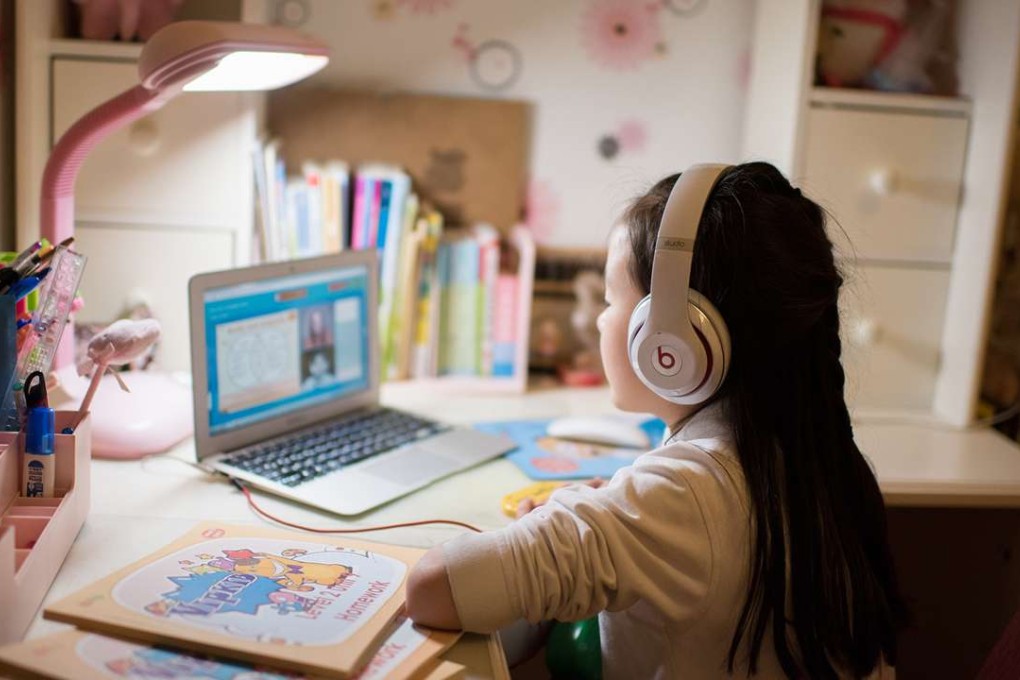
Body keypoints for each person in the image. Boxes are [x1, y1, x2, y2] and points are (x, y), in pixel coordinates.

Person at [405, 162, 906, 679]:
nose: (601, 319)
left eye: (609, 300)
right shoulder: (812, 456)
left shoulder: (685, 497)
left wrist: (585, 514)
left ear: (673, 341)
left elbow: (434, 588)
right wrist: (613, 513)